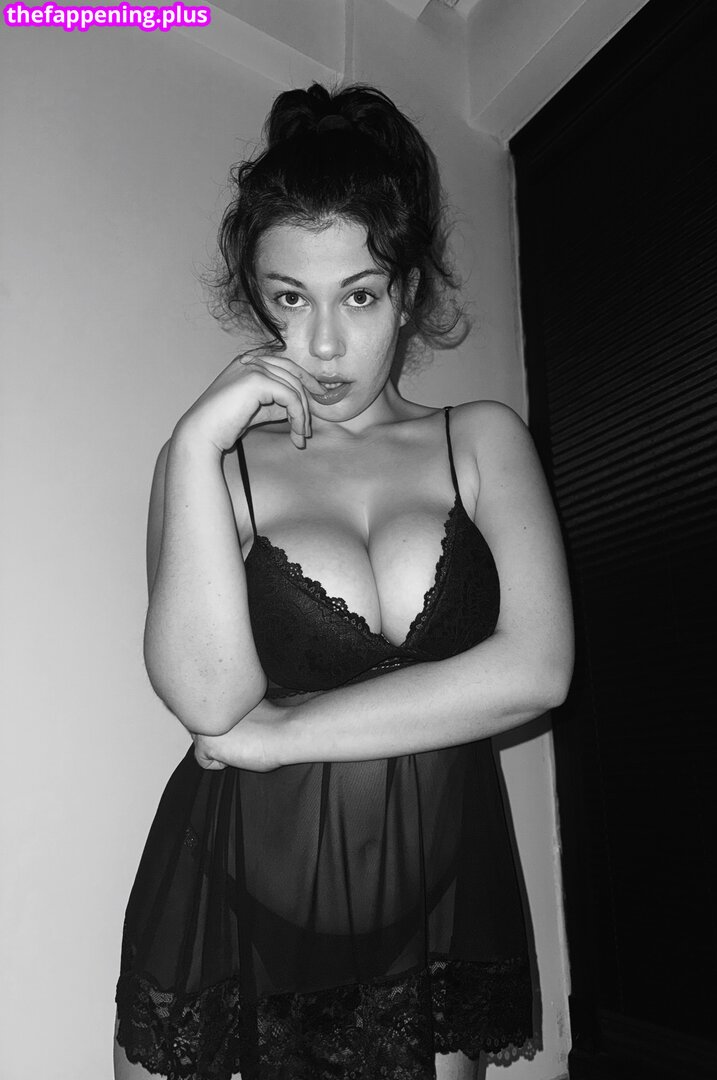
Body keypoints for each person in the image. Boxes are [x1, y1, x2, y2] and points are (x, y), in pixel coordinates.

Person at [113, 82, 574, 1080]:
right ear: (258, 301)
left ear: (404, 292)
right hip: (234, 910)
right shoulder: (219, 469)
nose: (322, 345)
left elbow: (537, 670)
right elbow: (207, 703)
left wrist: (280, 736)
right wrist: (192, 444)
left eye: (358, 295)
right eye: (290, 299)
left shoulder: (481, 440)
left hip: (433, 914)